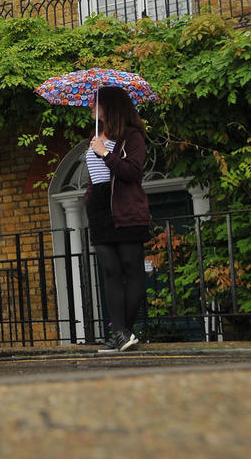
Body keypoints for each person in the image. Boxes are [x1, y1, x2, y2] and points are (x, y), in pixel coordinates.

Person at [85, 86, 151, 353]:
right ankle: (121, 334)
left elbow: (132, 173)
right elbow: (96, 177)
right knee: (110, 271)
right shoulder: (95, 136)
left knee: (131, 269)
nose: (91, 107)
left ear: (109, 106)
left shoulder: (132, 137)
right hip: (100, 208)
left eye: (95, 103)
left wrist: (105, 153)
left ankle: (122, 333)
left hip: (125, 207)